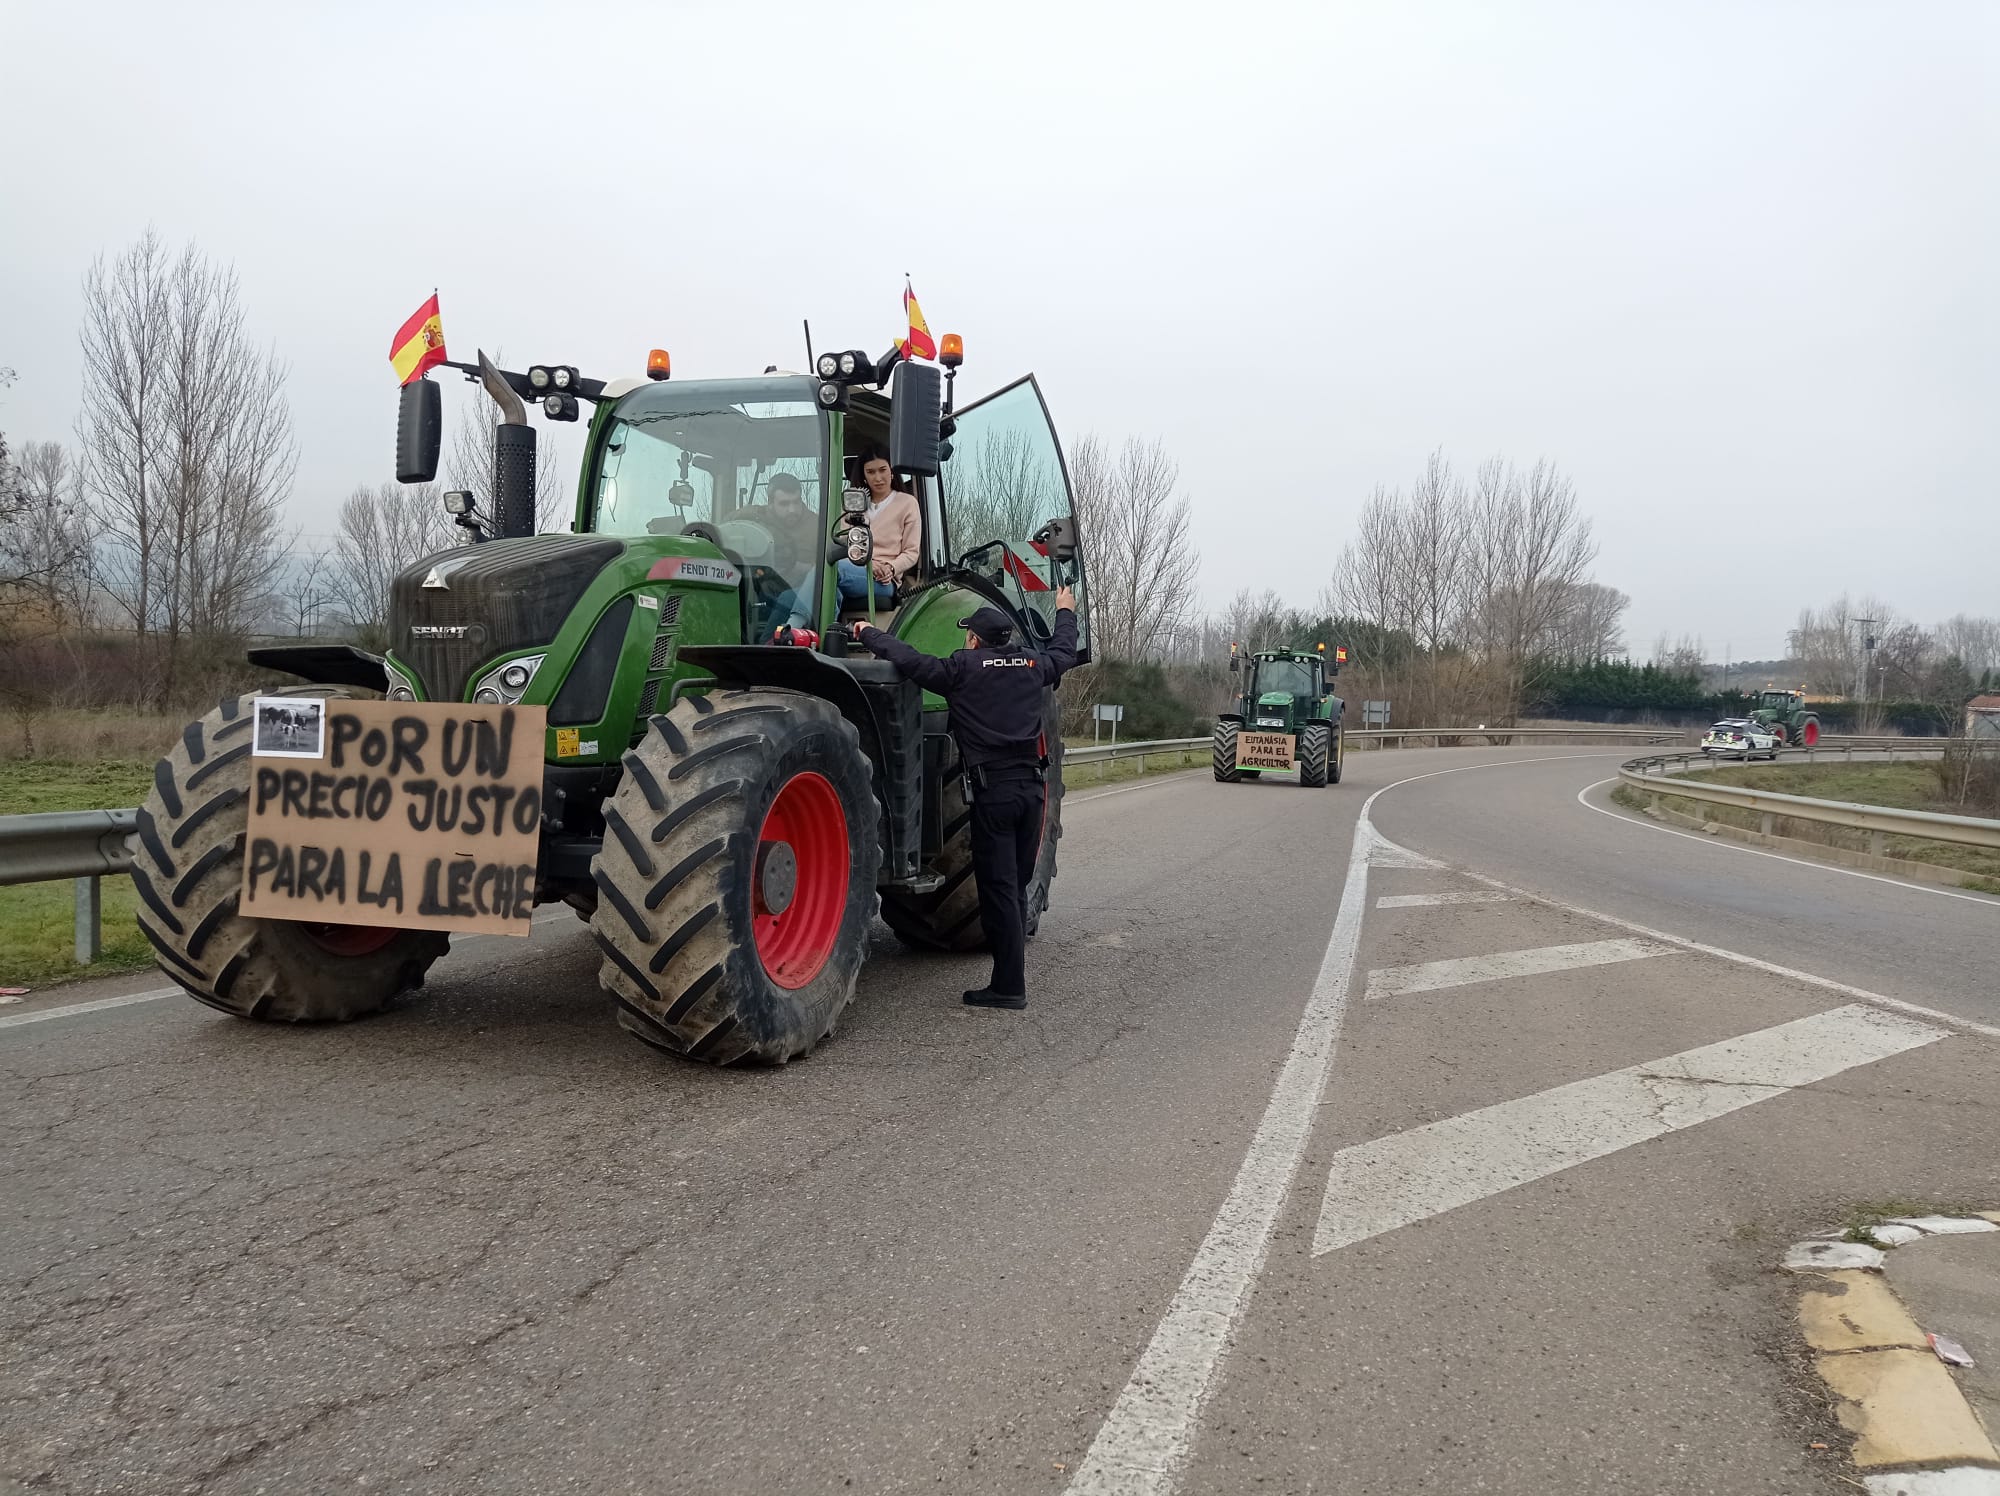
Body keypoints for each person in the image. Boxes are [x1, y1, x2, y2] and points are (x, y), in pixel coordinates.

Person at [850, 587, 1080, 1009]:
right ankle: (1009, 980)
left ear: (973, 639)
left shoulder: (962, 668)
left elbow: (910, 660)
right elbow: (1065, 649)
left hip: (995, 796)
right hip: (1032, 792)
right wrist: (1065, 610)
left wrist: (867, 633)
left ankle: (1009, 987)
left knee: (998, 890)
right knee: (1015, 887)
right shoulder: (1033, 665)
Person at [836, 450, 921, 612]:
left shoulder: (907, 503)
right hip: (852, 568)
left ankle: (800, 630)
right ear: (864, 476)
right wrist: (869, 563)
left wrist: (891, 567)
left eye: (882, 470)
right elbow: (842, 543)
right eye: (871, 472)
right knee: (789, 596)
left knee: (834, 570)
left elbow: (911, 552)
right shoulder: (851, 504)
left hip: (883, 580)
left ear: (892, 471)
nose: (877, 477)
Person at [759, 472, 819, 635]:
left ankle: (768, 646)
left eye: (796, 502)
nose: (792, 509)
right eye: (784, 504)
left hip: (799, 592)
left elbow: (826, 570)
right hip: (759, 588)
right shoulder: (756, 518)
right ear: (770, 503)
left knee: (788, 598)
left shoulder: (818, 526)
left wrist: (804, 568)